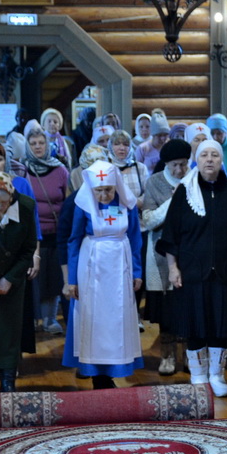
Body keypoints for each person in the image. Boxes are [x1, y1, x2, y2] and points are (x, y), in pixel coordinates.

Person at [157, 139, 227, 397]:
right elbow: (171, 233)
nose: (209, 159)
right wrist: (173, 268)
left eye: (214, 155)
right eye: (204, 155)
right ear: (196, 161)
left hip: (226, 270)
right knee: (195, 324)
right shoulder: (184, 192)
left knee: (220, 326)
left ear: (221, 161)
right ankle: (198, 375)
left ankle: (217, 375)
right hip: (191, 271)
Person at [63, 161, 143, 390]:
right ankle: (96, 375)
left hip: (120, 266)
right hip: (92, 267)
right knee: (94, 319)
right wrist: (72, 280)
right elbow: (73, 241)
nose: (104, 195)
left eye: (109, 189)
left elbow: (135, 239)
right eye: (99, 191)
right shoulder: (83, 205)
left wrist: (137, 271)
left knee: (118, 318)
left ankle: (115, 370)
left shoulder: (127, 204)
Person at [0, 173, 37, 401]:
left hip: (12, 280)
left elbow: (28, 248)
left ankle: (9, 383)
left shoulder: (26, 206)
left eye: (4, 202)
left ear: (12, 196)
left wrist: (10, 278)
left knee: (11, 330)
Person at [140, 138, 190, 375]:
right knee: (167, 310)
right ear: (166, 164)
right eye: (174, 165)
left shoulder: (194, 179)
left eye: (183, 164)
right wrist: (174, 199)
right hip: (160, 254)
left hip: (189, 252)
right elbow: (149, 220)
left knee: (189, 306)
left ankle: (190, 354)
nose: (179, 170)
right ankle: (167, 354)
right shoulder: (154, 182)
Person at [24, 125, 70, 335]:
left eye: (41, 143)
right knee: (34, 278)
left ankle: (50, 319)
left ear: (47, 144)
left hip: (55, 232)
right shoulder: (22, 169)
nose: (38, 147)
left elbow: (68, 201)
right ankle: (34, 319)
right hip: (31, 234)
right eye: (33, 143)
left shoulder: (60, 170)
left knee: (53, 278)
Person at [108, 130, 149, 205]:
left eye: (126, 144)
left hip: (137, 208)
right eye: (117, 144)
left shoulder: (140, 168)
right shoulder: (106, 168)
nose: (122, 148)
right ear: (111, 146)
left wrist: (136, 204)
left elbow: (148, 192)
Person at [135, 109, 171, 175]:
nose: (163, 138)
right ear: (153, 135)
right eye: (159, 135)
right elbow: (138, 171)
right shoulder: (142, 148)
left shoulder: (170, 147)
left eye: (165, 135)